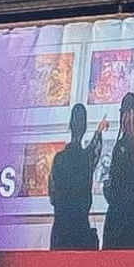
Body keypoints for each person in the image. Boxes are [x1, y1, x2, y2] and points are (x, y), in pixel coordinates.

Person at [46, 102, 101, 252]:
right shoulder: (86, 159)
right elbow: (94, 150)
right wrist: (99, 131)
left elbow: (52, 196)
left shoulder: (59, 159)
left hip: (61, 233)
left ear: (70, 124)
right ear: (84, 127)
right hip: (80, 233)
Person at [100, 93, 134, 253]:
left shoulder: (126, 144)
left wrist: (108, 189)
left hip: (120, 217)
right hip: (132, 215)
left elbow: (120, 183)